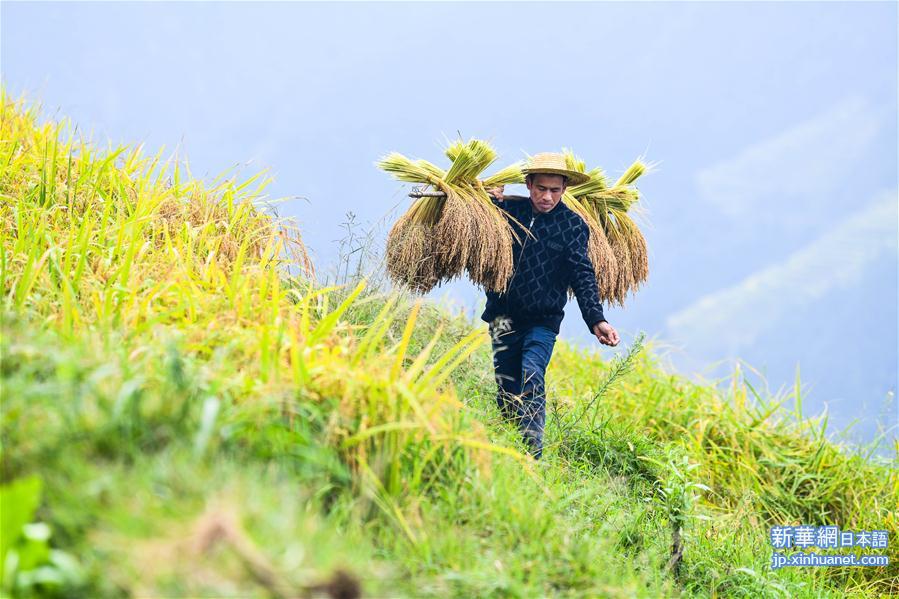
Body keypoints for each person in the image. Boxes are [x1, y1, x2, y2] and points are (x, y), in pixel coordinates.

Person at [483, 152, 620, 460]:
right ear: (529, 184)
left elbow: (582, 274)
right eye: (540, 188)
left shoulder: (573, 226)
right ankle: (507, 450)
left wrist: (596, 319)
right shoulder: (507, 211)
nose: (547, 197)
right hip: (502, 317)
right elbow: (480, 231)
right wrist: (489, 200)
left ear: (565, 189)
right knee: (506, 385)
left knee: (532, 374)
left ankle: (533, 454)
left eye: (554, 190)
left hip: (542, 322)